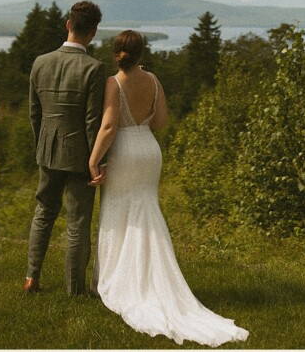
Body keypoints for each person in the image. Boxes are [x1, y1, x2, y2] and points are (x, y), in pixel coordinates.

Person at [88, 30, 249, 347]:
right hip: (149, 150)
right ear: (142, 53)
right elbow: (160, 121)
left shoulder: (112, 82)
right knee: (147, 210)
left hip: (124, 151)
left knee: (119, 212)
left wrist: (94, 160)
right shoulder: (154, 80)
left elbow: (108, 126)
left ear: (116, 52)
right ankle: (154, 278)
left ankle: (118, 280)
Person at [24, 0, 105, 296]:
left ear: (68, 24)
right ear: (93, 31)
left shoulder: (40, 62)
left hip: (47, 149)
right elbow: (92, 121)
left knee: (43, 212)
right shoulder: (94, 68)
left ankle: (32, 277)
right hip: (81, 155)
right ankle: (75, 290)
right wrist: (99, 161)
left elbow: (34, 113)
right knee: (78, 222)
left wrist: (42, 146)